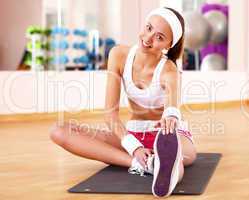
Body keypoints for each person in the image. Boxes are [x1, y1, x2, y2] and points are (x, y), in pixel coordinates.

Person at [50, 7, 197, 198]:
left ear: (169, 45)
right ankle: (145, 164)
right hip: (134, 134)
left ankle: (165, 162)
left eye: (159, 37)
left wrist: (170, 115)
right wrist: (133, 147)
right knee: (59, 130)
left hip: (167, 133)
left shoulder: (169, 70)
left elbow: (172, 104)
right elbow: (110, 114)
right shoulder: (118, 55)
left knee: (185, 155)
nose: (149, 38)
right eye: (148, 28)